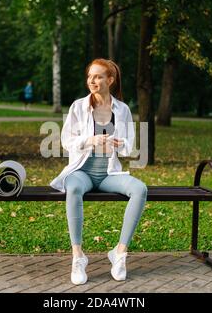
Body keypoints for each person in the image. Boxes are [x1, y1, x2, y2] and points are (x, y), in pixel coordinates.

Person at [50, 59, 148, 285]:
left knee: (139, 189)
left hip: (109, 174)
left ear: (110, 80)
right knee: (72, 187)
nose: (92, 81)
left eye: (98, 77)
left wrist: (118, 143)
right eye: (90, 77)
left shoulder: (122, 110)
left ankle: (120, 253)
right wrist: (91, 140)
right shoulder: (78, 106)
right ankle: (78, 256)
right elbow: (66, 141)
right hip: (82, 171)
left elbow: (129, 146)